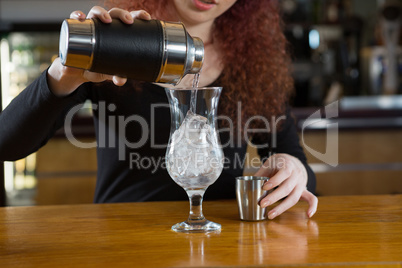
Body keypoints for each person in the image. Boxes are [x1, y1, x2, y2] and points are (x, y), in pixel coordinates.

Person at [0, 0, 318, 219]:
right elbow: (7, 142)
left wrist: (293, 168)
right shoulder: (116, 42)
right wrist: (65, 74)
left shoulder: (254, 63)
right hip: (123, 241)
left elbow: (293, 162)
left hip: (219, 244)